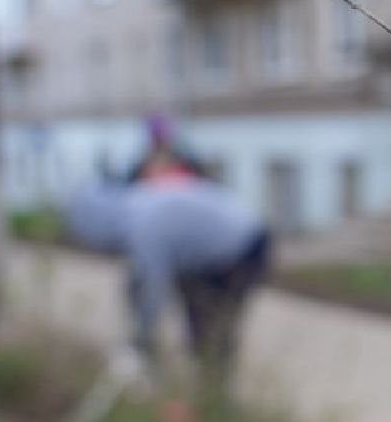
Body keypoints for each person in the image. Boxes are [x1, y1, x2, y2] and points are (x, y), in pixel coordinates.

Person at [65, 176, 271, 401]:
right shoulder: (137, 205)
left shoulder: (143, 226)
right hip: (209, 253)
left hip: (241, 247)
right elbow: (139, 281)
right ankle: (207, 392)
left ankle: (217, 399)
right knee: (198, 324)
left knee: (214, 328)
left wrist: (142, 338)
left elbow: (153, 289)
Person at [126, 113, 208, 185]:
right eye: (157, 140)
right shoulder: (140, 168)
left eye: (162, 140)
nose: (161, 144)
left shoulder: (189, 163)